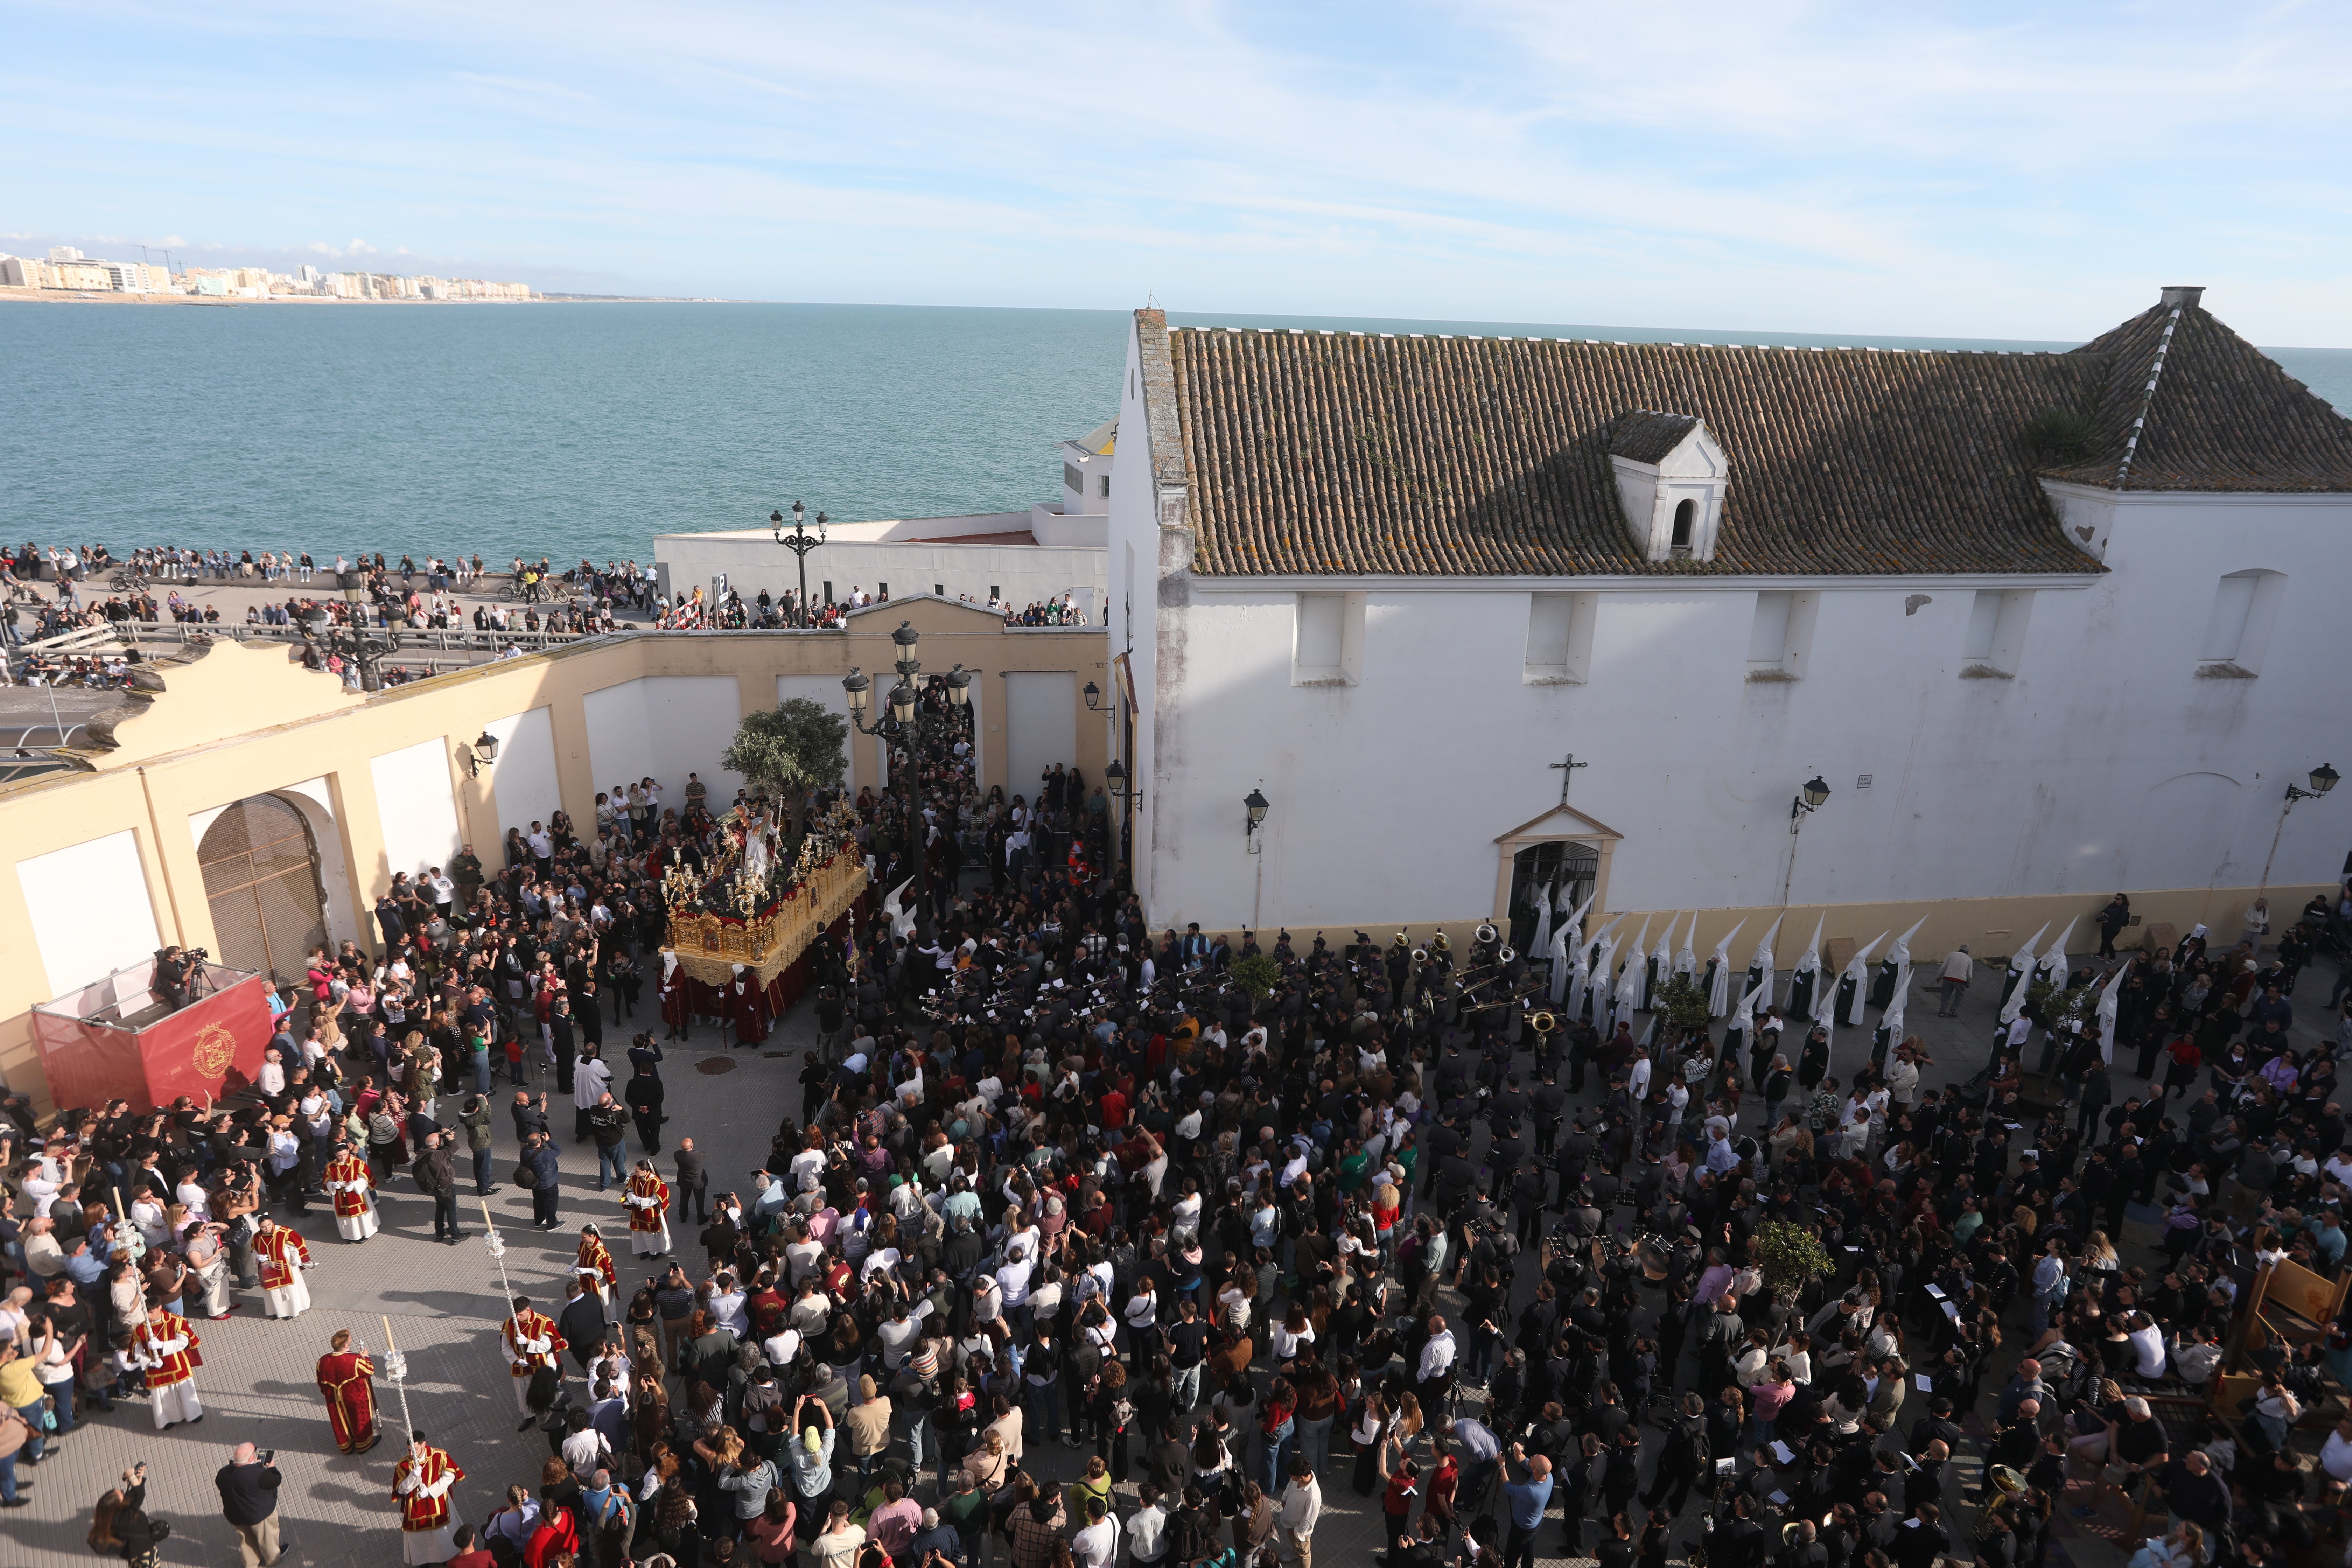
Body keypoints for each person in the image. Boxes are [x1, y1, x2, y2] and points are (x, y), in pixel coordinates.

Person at [394, 1430, 467, 1565]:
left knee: (441, 1538)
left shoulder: (439, 1456)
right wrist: (413, 1478)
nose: (411, 1454)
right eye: (409, 1450)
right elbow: (401, 1489)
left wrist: (430, 1491)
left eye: (415, 1449)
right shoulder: (404, 1464)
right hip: (415, 1508)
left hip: (438, 1502)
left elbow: (450, 1476)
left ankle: (447, 1560)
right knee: (420, 1542)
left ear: (424, 1444)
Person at [133, 1299, 204, 1429]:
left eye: (151, 1312)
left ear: (160, 1307)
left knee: (185, 1390)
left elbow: (183, 1343)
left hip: (176, 1360)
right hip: (156, 1367)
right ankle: (168, 1419)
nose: (148, 1316)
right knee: (162, 1395)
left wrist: (162, 1346)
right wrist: (151, 1362)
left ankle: (193, 1414)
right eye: (145, 1312)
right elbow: (136, 1353)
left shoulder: (176, 1321)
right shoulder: (141, 1329)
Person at [217, 1441, 285, 1568]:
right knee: (267, 1539)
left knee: (247, 1541)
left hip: (235, 1516)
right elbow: (276, 1479)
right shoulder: (259, 1475)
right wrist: (272, 1467)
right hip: (258, 1515)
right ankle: (272, 1560)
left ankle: (251, 1564)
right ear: (251, 1459)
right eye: (255, 1452)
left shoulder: (223, 1473)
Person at [317, 1328, 381, 1454]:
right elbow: (369, 1371)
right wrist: (366, 1357)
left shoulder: (323, 1361)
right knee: (359, 1419)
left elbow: (321, 1382)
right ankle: (364, 1445)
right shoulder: (354, 1360)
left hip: (334, 1399)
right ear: (346, 1345)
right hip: (355, 1396)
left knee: (340, 1420)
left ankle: (347, 1446)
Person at [502, 1296, 562, 1427]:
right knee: (524, 1390)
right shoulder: (510, 1323)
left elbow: (546, 1346)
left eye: (521, 1315)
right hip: (523, 1365)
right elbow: (505, 1347)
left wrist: (528, 1342)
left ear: (528, 1310)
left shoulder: (542, 1322)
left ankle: (552, 1412)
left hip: (542, 1364)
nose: (517, 1318)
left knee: (547, 1390)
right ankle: (530, 1416)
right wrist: (517, 1359)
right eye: (516, 1315)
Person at [1498, 1445, 1553, 1568]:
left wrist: (1502, 1466)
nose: (1531, 1457)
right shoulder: (1548, 1476)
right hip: (1536, 1523)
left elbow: (1508, 1488)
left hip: (1522, 1528)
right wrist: (1517, 1452)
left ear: (1535, 1471)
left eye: (1533, 1459)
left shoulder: (1531, 1491)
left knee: (1511, 1555)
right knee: (1529, 1548)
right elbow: (1524, 1461)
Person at [253, 1213, 316, 1320]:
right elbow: (254, 1250)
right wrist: (258, 1256)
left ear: (272, 1221)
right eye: (264, 1227)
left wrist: (296, 1260)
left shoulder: (284, 1232)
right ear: (259, 1227)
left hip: (287, 1267)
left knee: (290, 1290)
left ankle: (291, 1311)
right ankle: (277, 1311)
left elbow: (295, 1247)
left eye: (269, 1225)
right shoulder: (257, 1237)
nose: (267, 1228)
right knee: (273, 1292)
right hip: (268, 1269)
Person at [325, 1139, 380, 1242]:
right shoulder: (331, 1166)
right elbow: (327, 1181)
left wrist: (354, 1185)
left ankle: (366, 1233)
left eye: (345, 1154)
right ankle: (351, 1236)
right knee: (346, 1218)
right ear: (335, 1155)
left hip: (357, 1193)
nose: (343, 1158)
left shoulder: (358, 1163)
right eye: (340, 1156)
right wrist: (333, 1184)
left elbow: (365, 1179)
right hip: (341, 1196)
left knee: (361, 1216)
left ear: (348, 1152)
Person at [1279, 1454, 1321, 1568]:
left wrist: (1297, 1532)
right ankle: (1296, 1552)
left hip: (1298, 1530)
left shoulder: (1314, 1497)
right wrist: (1284, 1499)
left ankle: (1300, 1555)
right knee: (1297, 1546)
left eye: (1291, 1475)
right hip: (1291, 1522)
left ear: (1302, 1477)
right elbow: (1290, 1485)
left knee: (1305, 1554)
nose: (1290, 1476)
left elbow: (1309, 1520)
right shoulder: (1297, 1476)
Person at [625, 1158, 673, 1258]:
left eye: (637, 1171)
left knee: (654, 1235)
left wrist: (643, 1202)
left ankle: (655, 1252)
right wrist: (634, 1199)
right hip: (638, 1211)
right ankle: (645, 1249)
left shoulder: (655, 1182)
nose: (635, 1173)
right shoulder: (634, 1178)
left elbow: (657, 1198)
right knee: (641, 1233)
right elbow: (629, 1190)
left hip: (652, 1212)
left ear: (645, 1171)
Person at [1937, 946, 1972, 1017]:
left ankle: (1942, 1012)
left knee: (1945, 995)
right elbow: (1969, 975)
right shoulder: (1969, 960)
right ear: (1968, 952)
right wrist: (1968, 984)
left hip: (1948, 978)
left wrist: (1939, 976)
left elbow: (1944, 967)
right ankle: (1953, 1011)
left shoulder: (1951, 954)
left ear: (1959, 949)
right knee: (1959, 997)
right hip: (1961, 981)